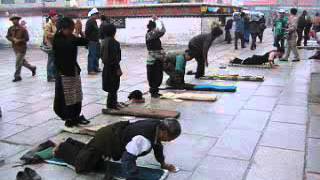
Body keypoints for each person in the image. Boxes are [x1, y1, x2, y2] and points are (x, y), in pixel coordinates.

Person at [54, 119, 181, 179]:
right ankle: (62, 148)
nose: (170, 140)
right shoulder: (143, 139)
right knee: (82, 166)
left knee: (93, 155)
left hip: (113, 133)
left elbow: (158, 146)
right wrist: (133, 178)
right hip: (106, 140)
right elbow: (127, 159)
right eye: (170, 137)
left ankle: (71, 143)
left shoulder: (157, 126)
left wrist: (163, 163)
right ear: (164, 131)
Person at [53, 17, 90, 127]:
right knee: (68, 98)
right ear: (63, 29)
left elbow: (84, 42)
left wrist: (81, 32)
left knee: (77, 95)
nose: (71, 31)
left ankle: (76, 116)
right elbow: (69, 46)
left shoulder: (70, 36)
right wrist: (77, 32)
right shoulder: (58, 39)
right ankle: (69, 118)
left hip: (74, 70)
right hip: (64, 72)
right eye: (70, 29)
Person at [6, 14, 36, 82]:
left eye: (15, 19)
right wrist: (13, 39)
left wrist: (19, 40)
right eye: (13, 19)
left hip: (22, 48)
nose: (14, 21)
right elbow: (8, 36)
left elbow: (27, 38)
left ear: (18, 20)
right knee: (21, 62)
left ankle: (17, 76)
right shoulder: (10, 28)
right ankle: (32, 68)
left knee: (18, 62)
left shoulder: (23, 29)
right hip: (15, 48)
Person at [100, 23, 122, 110]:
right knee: (114, 86)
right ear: (114, 32)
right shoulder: (114, 43)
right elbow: (115, 57)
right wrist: (118, 68)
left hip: (106, 66)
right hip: (113, 67)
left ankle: (112, 103)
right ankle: (112, 104)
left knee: (110, 87)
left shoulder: (103, 41)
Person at [145, 16, 166, 98]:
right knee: (154, 76)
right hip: (154, 59)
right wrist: (158, 20)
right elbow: (162, 30)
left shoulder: (152, 34)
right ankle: (153, 92)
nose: (156, 29)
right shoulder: (150, 34)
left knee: (157, 75)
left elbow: (161, 31)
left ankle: (155, 91)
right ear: (153, 28)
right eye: (155, 28)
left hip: (156, 58)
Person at [44, 10, 58, 82]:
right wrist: (56, 35)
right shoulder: (48, 25)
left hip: (54, 45)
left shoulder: (54, 24)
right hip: (50, 45)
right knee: (51, 61)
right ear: (52, 17)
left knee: (54, 61)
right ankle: (50, 76)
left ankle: (54, 75)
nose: (57, 17)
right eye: (55, 16)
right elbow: (47, 35)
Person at [85, 8, 101, 75]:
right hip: (91, 41)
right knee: (92, 55)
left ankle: (95, 68)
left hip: (96, 41)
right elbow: (87, 32)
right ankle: (90, 69)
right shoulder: (90, 21)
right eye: (97, 14)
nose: (98, 16)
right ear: (93, 14)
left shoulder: (94, 21)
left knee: (97, 55)